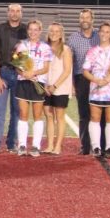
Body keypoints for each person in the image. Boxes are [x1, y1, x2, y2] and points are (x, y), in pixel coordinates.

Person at [0, 3, 27, 154]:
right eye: (12, 11)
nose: (14, 13)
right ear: (8, 12)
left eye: (18, 11)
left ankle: (11, 143)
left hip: (20, 75)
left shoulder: (26, 31)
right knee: (0, 111)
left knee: (17, 111)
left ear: (21, 13)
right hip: (3, 73)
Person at [82, 22, 110, 158]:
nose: (104, 34)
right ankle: (96, 147)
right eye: (102, 31)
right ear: (99, 33)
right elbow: (85, 71)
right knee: (95, 117)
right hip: (96, 88)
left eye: (107, 32)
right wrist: (96, 80)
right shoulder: (92, 51)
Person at [13, 20, 52, 157]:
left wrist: (33, 73)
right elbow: (17, 65)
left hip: (38, 82)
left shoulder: (45, 47)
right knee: (23, 114)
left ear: (40, 31)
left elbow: (46, 67)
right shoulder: (21, 45)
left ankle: (36, 145)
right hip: (23, 82)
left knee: (37, 115)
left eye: (36, 30)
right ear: (27, 30)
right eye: (31, 29)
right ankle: (22, 145)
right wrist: (23, 73)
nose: (33, 32)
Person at [68, 9, 100, 155]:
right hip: (81, 78)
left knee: (100, 113)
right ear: (79, 20)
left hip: (99, 79)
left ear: (92, 19)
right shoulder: (73, 38)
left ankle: (99, 144)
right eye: (82, 18)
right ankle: (85, 146)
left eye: (87, 17)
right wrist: (71, 84)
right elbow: (70, 63)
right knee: (84, 114)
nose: (85, 20)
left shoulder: (100, 36)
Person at [42, 22, 73, 155]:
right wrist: (44, 85)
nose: (54, 34)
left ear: (61, 34)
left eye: (57, 31)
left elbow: (67, 71)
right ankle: (49, 145)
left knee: (59, 117)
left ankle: (58, 146)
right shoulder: (44, 48)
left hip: (60, 88)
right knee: (48, 115)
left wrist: (55, 86)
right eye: (51, 31)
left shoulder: (65, 49)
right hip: (45, 87)